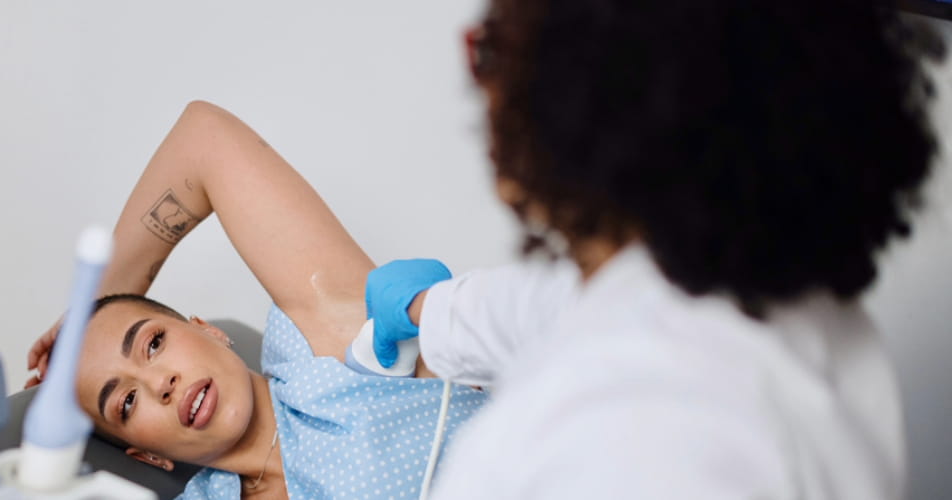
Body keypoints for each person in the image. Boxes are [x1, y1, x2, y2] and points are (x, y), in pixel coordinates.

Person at [363, 0, 944, 498]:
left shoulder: (633, 444)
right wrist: (431, 311)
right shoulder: (795, 307)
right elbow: (563, 306)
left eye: (492, 52)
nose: (484, 86)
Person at [25, 101, 488, 499]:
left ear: (208, 329)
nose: (158, 384)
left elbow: (202, 139)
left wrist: (94, 303)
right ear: (147, 456)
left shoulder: (328, 354)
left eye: (152, 344)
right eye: (126, 403)